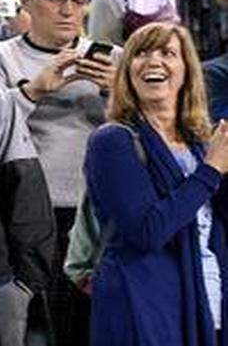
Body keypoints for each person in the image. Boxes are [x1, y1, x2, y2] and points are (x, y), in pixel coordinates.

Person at [0, 0, 115, 345]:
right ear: (27, 1)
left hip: (94, 211)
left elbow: (144, 132)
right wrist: (34, 91)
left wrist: (117, 93)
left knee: (84, 323)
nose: (69, 10)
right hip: (18, 211)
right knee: (29, 326)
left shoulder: (114, 59)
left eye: (78, 0)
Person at [85, 23, 228, 346]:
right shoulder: (113, 141)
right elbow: (147, 230)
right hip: (144, 304)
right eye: (141, 53)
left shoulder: (202, 144)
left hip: (208, 297)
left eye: (167, 53)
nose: (154, 61)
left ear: (186, 71)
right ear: (127, 72)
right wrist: (210, 172)